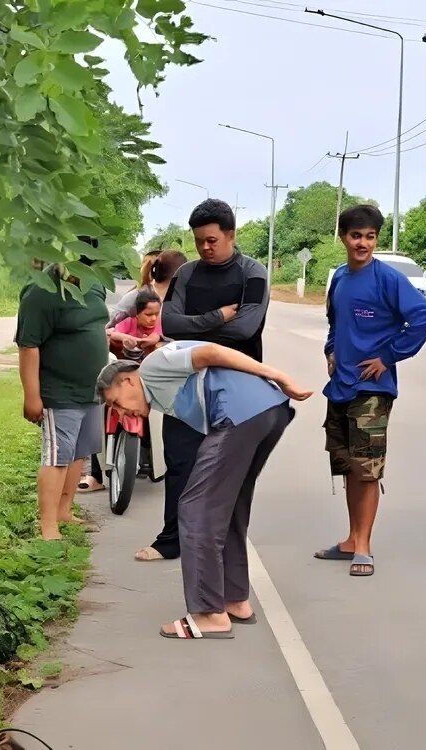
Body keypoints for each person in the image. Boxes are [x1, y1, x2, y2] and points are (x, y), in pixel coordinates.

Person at [95, 341, 312, 639]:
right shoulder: (161, 393)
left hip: (241, 413)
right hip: (268, 411)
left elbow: (211, 352)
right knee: (229, 504)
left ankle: (210, 613)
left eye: (117, 402)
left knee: (196, 509)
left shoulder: (152, 368)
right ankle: (235, 600)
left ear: (128, 379)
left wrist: (278, 375)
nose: (121, 413)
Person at [136, 199, 271, 562]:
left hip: (236, 386)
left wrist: (193, 332)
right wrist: (216, 317)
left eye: (212, 240)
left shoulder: (252, 274)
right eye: (199, 241)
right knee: (180, 462)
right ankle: (171, 539)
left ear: (230, 234)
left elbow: (246, 328)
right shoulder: (187, 274)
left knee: (230, 471)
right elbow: (169, 324)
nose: (205, 247)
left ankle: (219, 544)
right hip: (185, 384)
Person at [316, 204, 426, 576]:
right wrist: (331, 350)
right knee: (350, 466)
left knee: (367, 469)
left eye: (370, 237)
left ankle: (364, 548)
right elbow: (334, 321)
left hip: (373, 389)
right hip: (340, 387)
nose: (363, 243)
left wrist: (387, 356)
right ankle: (351, 540)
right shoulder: (339, 277)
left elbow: (425, 317)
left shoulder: (388, 279)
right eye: (356, 236)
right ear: (343, 238)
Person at [15, 247, 110, 541]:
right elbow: (28, 345)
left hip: (92, 389)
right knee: (57, 456)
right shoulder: (41, 291)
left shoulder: (95, 283)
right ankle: (48, 527)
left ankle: (65, 511)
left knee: (80, 452)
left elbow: (95, 325)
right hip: (60, 391)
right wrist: (32, 395)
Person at [78, 249, 189, 495]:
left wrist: (159, 341)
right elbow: (106, 331)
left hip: (155, 367)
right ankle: (97, 473)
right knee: (106, 402)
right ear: (179, 276)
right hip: (123, 366)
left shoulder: (179, 301)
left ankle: (157, 460)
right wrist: (122, 340)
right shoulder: (136, 299)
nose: (152, 317)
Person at [108, 288, 163, 361]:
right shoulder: (129, 321)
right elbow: (114, 334)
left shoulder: (158, 322)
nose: (154, 318)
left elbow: (154, 338)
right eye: (148, 315)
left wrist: (141, 341)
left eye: (157, 314)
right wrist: (129, 339)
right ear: (137, 313)